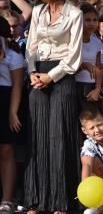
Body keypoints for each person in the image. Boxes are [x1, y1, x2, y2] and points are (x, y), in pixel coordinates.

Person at [24, 0, 83, 213]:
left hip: (63, 76)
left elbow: (74, 55)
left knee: (60, 138)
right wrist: (32, 73)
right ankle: (36, 199)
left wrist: (51, 76)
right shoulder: (37, 11)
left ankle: (62, 201)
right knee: (37, 138)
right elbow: (31, 46)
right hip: (38, 75)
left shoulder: (75, 14)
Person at [0, 16, 24, 214]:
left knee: (6, 151)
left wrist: (13, 112)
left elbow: (17, 85)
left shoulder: (12, 54)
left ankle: (7, 198)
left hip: (4, 99)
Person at [76, 3, 103, 106]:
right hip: (75, 86)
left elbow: (99, 69)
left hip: (92, 88)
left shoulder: (97, 42)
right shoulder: (73, 41)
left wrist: (97, 89)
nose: (92, 24)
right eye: (87, 20)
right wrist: (85, 65)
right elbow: (68, 69)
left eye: (95, 20)